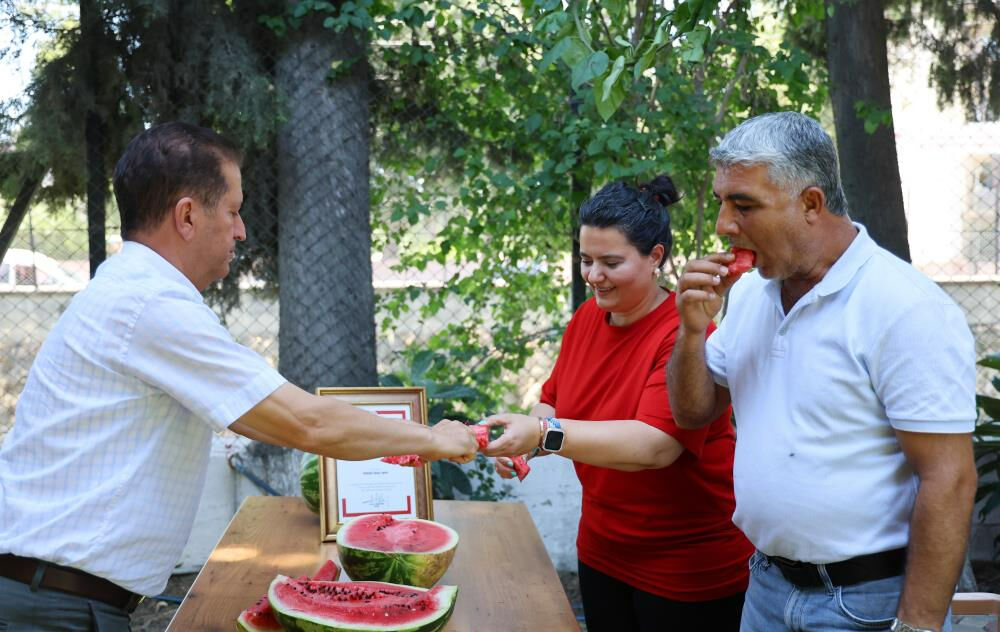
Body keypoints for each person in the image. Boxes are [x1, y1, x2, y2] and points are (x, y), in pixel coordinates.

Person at [0, 122, 478, 631]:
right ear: (187, 215)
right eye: (232, 210)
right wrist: (434, 439)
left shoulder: (136, 293)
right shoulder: (150, 305)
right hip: (54, 608)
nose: (242, 229)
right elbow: (306, 423)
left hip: (53, 595)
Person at [666, 111, 978, 632]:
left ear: (811, 203)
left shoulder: (904, 307)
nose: (724, 224)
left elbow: (949, 478)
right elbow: (694, 412)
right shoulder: (747, 295)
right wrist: (692, 332)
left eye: (743, 205)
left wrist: (919, 625)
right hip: (766, 589)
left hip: (869, 604)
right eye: (723, 202)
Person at [485, 176, 753, 632]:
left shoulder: (685, 333)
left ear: (655, 258)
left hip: (687, 564)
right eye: (586, 260)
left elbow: (656, 445)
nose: (592, 276)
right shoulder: (588, 316)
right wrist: (525, 440)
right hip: (602, 548)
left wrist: (545, 436)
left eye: (611, 262)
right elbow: (553, 401)